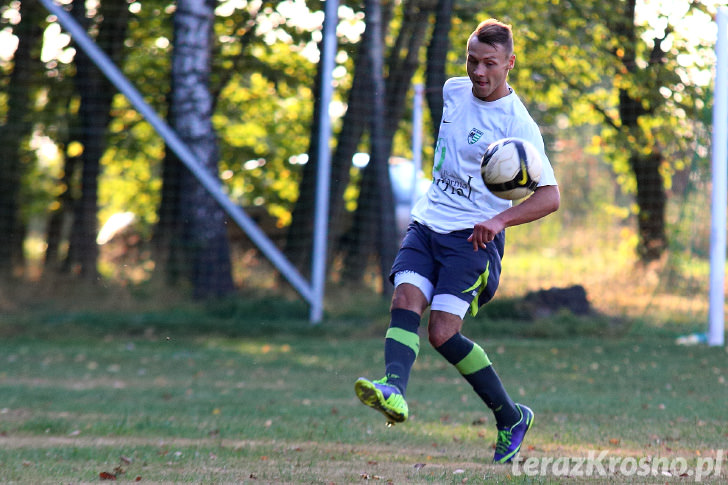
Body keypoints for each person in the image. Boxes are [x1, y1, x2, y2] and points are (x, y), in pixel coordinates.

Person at [354, 18, 560, 464]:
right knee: (405, 298)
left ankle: (510, 416)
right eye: (472, 60)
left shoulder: (518, 125)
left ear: (509, 63)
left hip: (472, 241)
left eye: (490, 63)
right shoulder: (452, 90)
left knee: (443, 333)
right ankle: (394, 389)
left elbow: (550, 196)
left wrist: (500, 220)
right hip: (428, 223)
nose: (479, 71)